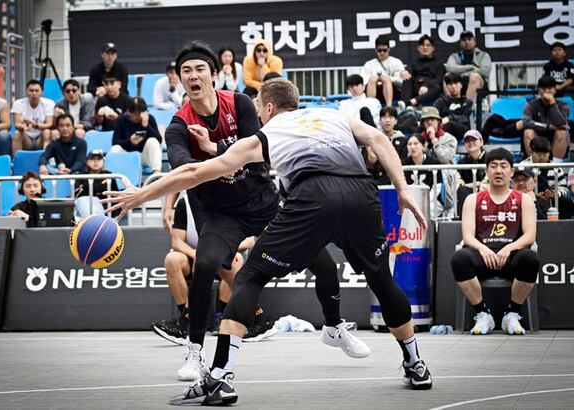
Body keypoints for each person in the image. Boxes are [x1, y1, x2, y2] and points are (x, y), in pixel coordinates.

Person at [103, 78, 434, 404]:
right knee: (381, 279)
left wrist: (141, 195)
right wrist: (402, 188)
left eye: (259, 107)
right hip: (360, 193)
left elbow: (194, 173)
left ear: (270, 107)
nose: (258, 113)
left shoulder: (268, 133)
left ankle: (219, 376)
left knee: (249, 277)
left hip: (311, 198)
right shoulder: (334, 115)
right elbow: (377, 138)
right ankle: (415, 363)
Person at [158, 42, 365, 382]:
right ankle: (195, 352)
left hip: (263, 203)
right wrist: (214, 162)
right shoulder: (178, 126)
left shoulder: (239, 103)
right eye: (186, 72)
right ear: (181, 80)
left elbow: (261, 147)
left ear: (214, 74)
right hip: (220, 214)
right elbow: (184, 169)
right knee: (206, 264)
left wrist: (215, 148)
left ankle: (333, 327)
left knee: (324, 263)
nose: (193, 76)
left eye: (199, 69)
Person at [151, 194, 269, 345]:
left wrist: (228, 247)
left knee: (230, 260)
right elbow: (177, 242)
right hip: (195, 254)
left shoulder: (228, 198)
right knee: (173, 260)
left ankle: (218, 317)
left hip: (221, 253)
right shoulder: (185, 204)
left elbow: (250, 240)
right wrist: (197, 253)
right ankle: (187, 319)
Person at [451, 148, 539, 335]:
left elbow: (530, 236)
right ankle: (483, 313)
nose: (498, 171)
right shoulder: (472, 199)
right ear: (486, 170)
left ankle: (512, 314)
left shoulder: (523, 199)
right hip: (483, 256)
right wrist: (483, 249)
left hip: (511, 256)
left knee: (530, 259)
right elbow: (468, 236)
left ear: (511, 171)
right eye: (493, 166)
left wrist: (509, 248)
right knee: (459, 259)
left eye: (503, 166)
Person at [520, 136, 574, 219]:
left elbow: (564, 189)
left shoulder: (556, 168)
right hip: (530, 199)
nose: (542, 157)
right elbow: (518, 189)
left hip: (552, 200)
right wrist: (534, 195)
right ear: (531, 152)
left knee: (567, 203)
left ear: (549, 153)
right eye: (538, 154)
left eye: (545, 154)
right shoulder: (523, 167)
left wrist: (555, 193)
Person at [521, 75, 570, 161]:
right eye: (543, 88)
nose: (547, 91)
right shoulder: (531, 104)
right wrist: (548, 126)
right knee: (528, 132)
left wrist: (552, 103)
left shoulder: (563, 105)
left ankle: (556, 165)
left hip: (555, 140)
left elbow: (561, 123)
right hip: (537, 138)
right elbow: (526, 122)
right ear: (539, 90)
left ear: (555, 90)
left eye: (550, 88)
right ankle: (533, 164)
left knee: (561, 132)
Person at [110, 97, 162, 173]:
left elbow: (159, 140)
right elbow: (115, 142)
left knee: (153, 141)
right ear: (129, 112)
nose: (139, 117)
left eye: (141, 113)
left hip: (144, 156)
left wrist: (146, 126)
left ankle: (156, 174)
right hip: (127, 156)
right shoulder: (121, 120)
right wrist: (130, 141)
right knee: (115, 149)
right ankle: (114, 176)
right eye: (136, 114)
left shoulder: (149, 119)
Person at [360, 36, 409, 107]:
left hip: (393, 91)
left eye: (384, 50)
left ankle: (389, 107)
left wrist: (386, 79)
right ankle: (371, 107)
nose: (382, 52)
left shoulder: (396, 62)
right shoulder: (369, 64)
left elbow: (400, 81)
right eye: (379, 50)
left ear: (389, 49)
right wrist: (377, 79)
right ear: (375, 50)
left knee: (385, 78)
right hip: (375, 90)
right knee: (373, 79)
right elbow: (363, 80)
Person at [363, 107, 406, 185]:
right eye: (384, 117)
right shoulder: (372, 140)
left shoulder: (403, 141)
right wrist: (372, 162)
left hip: (396, 183)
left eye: (390, 117)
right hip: (375, 182)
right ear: (380, 120)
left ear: (396, 121)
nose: (387, 120)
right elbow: (366, 165)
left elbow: (403, 162)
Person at [400, 35, 444, 109]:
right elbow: (408, 71)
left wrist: (426, 86)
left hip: (430, 89)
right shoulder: (414, 62)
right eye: (422, 45)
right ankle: (405, 104)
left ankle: (409, 103)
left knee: (437, 88)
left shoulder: (438, 64)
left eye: (428, 45)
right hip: (416, 88)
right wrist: (404, 73)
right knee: (407, 78)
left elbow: (438, 81)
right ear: (418, 48)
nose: (425, 47)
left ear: (433, 48)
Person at [445, 31, 491, 102]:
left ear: (474, 41)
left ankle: (467, 107)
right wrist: (471, 67)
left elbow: (485, 72)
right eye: (464, 40)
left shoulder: (483, 55)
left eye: (469, 39)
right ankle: (449, 104)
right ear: (460, 43)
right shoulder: (455, 56)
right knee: (447, 75)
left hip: (480, 85)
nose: (466, 42)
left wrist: (462, 72)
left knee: (474, 76)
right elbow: (449, 68)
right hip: (460, 82)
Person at [11, 79, 54, 154]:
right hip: (26, 137)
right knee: (17, 133)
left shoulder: (49, 103)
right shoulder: (18, 103)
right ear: (26, 92)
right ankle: (16, 159)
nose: (34, 93)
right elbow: (17, 124)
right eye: (31, 90)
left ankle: (46, 158)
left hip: (40, 138)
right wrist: (22, 127)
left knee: (47, 132)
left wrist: (33, 124)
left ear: (42, 92)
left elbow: (49, 124)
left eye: (37, 91)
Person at [74, 149, 120, 219]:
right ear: (87, 162)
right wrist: (100, 190)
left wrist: (89, 187)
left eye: (99, 159)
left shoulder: (109, 175)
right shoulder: (81, 175)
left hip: (106, 208)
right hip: (86, 206)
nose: (96, 162)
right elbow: (79, 195)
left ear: (103, 161)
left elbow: (115, 194)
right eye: (92, 159)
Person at [433, 73, 473, 141]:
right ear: (447, 86)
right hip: (442, 128)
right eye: (450, 84)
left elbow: (465, 118)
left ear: (461, 85)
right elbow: (433, 115)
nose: (453, 86)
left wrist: (449, 118)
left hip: (462, 130)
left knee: (450, 125)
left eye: (456, 83)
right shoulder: (440, 102)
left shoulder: (467, 102)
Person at [456, 130, 488, 216]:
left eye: (474, 139)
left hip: (487, 195)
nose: (470, 142)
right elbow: (457, 184)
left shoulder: (490, 159)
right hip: (467, 196)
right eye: (467, 141)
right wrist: (475, 184)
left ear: (481, 141)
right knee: (462, 191)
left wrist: (478, 186)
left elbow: (489, 182)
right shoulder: (461, 163)